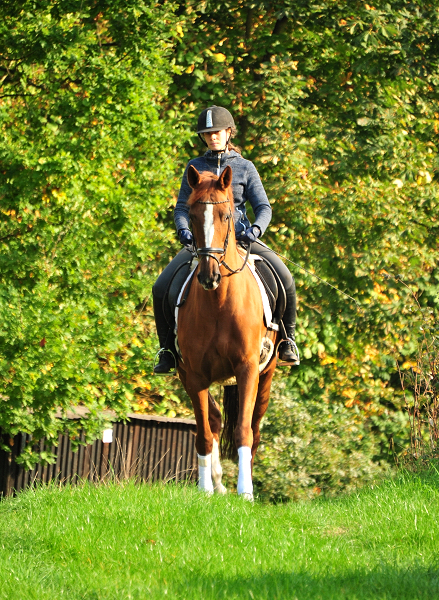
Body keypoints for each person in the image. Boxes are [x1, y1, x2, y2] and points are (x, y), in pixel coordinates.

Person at [152, 105, 300, 374]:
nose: (212, 137)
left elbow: (264, 207)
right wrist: (183, 229)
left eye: (217, 132)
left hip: (241, 238)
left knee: (285, 278)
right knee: (160, 287)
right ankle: (167, 350)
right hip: (204, 243)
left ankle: (287, 341)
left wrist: (255, 230)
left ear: (229, 132)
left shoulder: (245, 167)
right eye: (207, 134)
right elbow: (183, 208)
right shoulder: (195, 166)